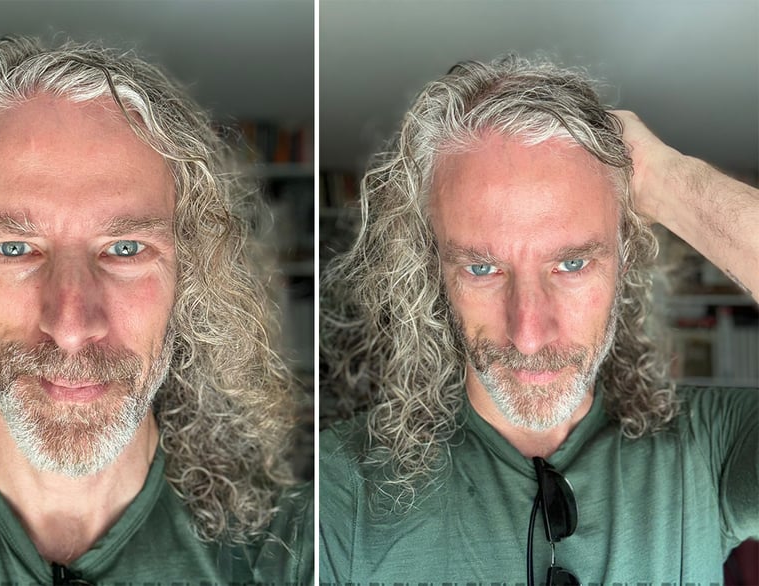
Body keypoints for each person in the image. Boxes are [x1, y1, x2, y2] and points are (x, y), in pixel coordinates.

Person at [0, 37, 312, 583]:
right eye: (15, 248)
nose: (70, 326)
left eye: (126, 249)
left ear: (192, 276)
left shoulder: (294, 553)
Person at [319, 55, 757, 584]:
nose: (528, 334)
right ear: (432, 272)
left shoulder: (711, 447)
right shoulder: (338, 493)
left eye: (572, 263)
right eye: (482, 268)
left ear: (626, 258)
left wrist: (666, 178)